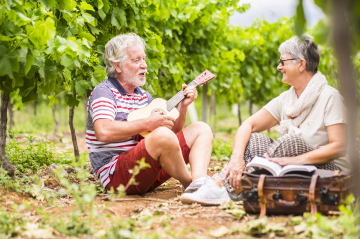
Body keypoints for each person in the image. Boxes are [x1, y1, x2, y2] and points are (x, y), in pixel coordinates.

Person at [180, 34, 348, 205]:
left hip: (330, 172)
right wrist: (237, 158)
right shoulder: (287, 99)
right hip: (299, 168)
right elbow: (248, 125)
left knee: (291, 142)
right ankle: (225, 184)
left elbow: (339, 147)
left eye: (283, 62)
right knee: (253, 139)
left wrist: (292, 161)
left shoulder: (330, 97)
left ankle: (226, 187)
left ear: (301, 64)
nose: (278, 67)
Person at [86, 33, 213, 195]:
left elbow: (171, 136)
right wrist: (149, 123)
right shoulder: (104, 92)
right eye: (136, 60)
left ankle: (200, 182)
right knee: (161, 135)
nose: (144, 65)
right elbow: (103, 132)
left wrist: (183, 108)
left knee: (201, 129)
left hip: (147, 169)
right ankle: (191, 184)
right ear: (117, 66)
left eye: (144, 59)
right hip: (117, 176)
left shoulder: (144, 97)